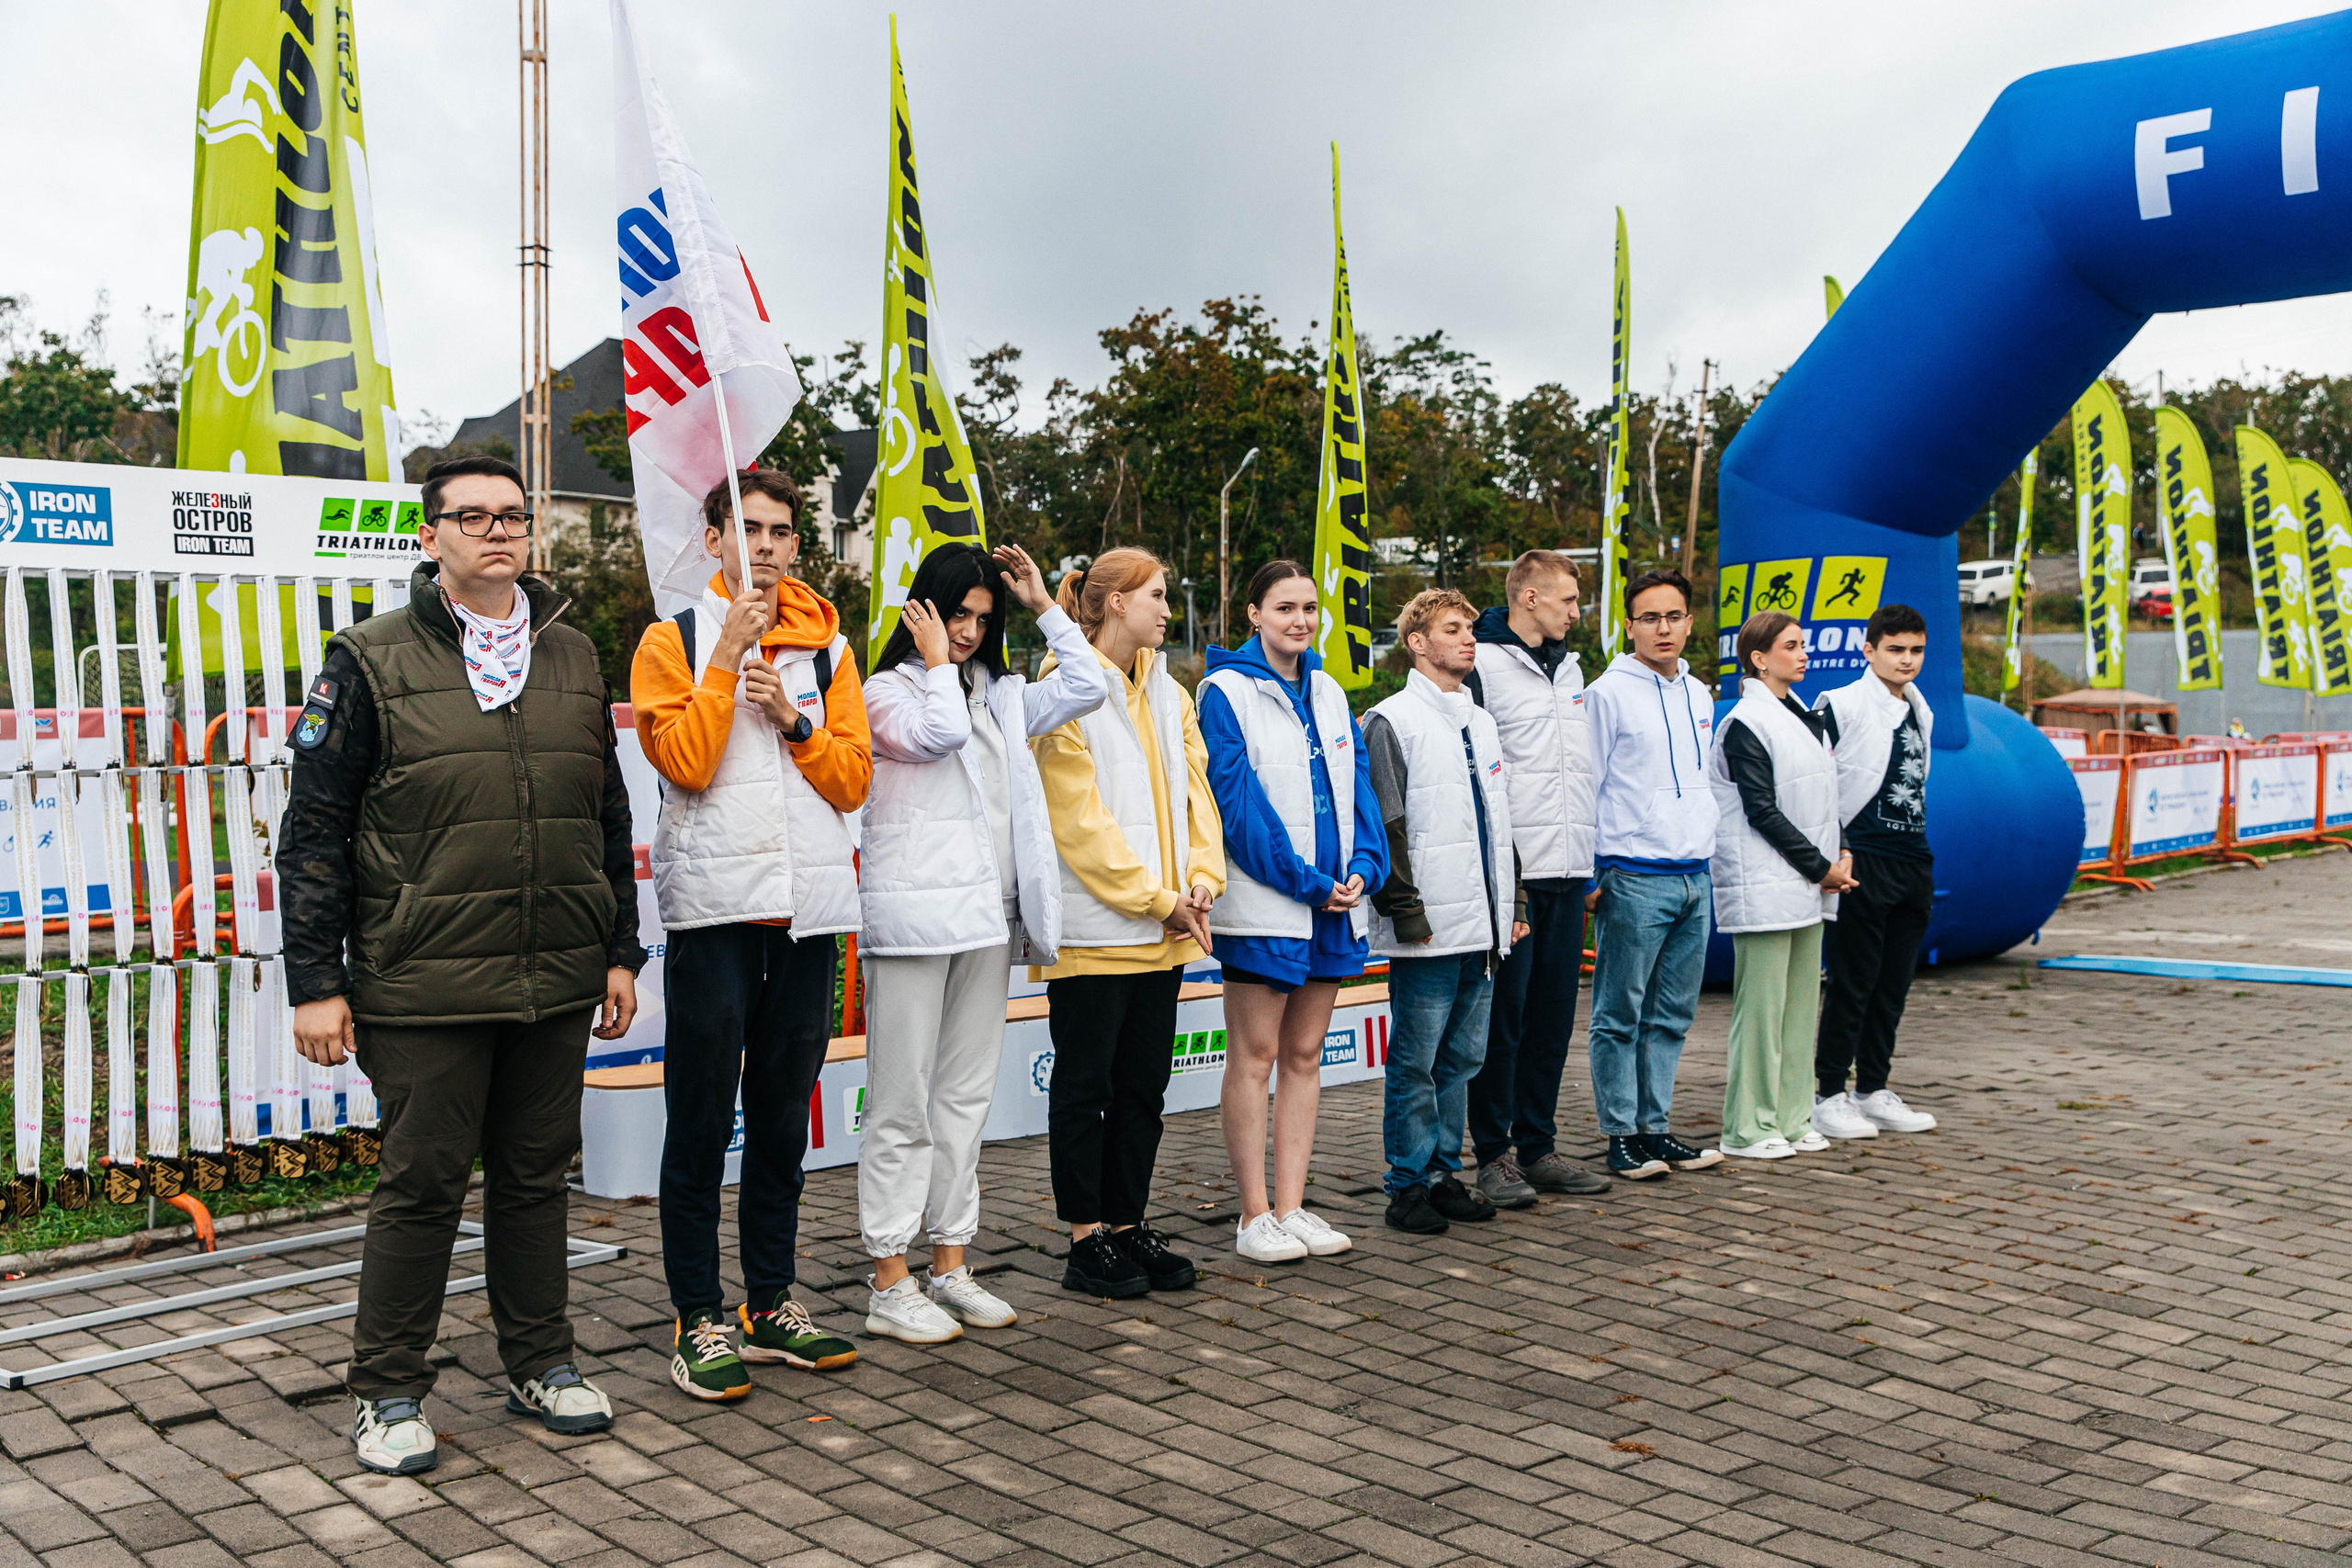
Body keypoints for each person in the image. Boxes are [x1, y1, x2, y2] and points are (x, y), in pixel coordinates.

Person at [281, 455, 643, 1475]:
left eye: (513, 515)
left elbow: (602, 813)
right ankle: (388, 1390)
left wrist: (616, 949)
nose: (497, 531)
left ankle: (542, 1364)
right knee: (423, 1184)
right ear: (430, 535)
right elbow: (313, 831)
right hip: (422, 980)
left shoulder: (570, 651)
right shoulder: (367, 658)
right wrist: (317, 979)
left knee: (533, 1180)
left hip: (555, 976)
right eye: (472, 516)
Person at [629, 469, 871, 1401]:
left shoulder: (831, 647)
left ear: (796, 547)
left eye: (779, 532)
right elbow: (684, 764)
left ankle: (770, 1303)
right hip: (717, 916)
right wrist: (727, 666)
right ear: (715, 540)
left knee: (779, 1123)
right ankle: (697, 1317)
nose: (765, 545)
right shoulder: (674, 640)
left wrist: (792, 717)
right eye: (748, 529)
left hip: (807, 916)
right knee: (698, 1124)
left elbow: (852, 779)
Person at [855, 541, 1108, 1340]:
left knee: (963, 1097)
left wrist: (1044, 605)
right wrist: (932, 659)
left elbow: (1088, 684)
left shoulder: (1000, 692)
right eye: (954, 614)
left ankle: (950, 1262)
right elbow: (935, 736)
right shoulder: (885, 690)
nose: (966, 631)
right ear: (922, 609)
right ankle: (888, 1275)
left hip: (990, 919)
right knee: (902, 1101)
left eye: (979, 618)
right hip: (915, 921)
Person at [1032, 547, 1226, 1297]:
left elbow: (1197, 794)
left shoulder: (1170, 692)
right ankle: (1085, 1238)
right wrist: (1154, 896)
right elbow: (1079, 820)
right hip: (1095, 932)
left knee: (1143, 1087)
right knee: (1085, 1088)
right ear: (1115, 602)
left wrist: (1201, 882)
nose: (1167, 608)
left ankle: (1125, 1221)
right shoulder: (1065, 687)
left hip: (1167, 930)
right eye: (1157, 594)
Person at [1199, 560, 1388, 1263]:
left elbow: (1360, 790)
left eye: (1310, 607)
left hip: (1335, 904)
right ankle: (1253, 1216)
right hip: (1269, 907)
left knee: (1306, 1054)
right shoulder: (1224, 691)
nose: (1301, 620)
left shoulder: (1333, 690)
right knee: (1255, 1054)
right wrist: (1307, 880)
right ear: (1253, 614)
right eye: (1284, 607)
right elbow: (1236, 806)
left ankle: (1293, 1205)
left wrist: (1366, 866)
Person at [1364, 589, 1515, 1235]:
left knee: (1462, 1058)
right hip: (1427, 923)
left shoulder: (1480, 721)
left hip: (1481, 922)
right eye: (1452, 629)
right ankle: (1407, 1181)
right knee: (1416, 1059)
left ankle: (1443, 1171)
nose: (1468, 639)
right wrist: (1405, 907)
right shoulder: (1389, 719)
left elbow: (1499, 821)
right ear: (1417, 643)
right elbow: (1387, 823)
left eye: (1471, 629)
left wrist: (1516, 900)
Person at [1464, 550, 1608, 1206]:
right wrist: (1501, 875)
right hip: (1512, 879)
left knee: (1553, 1018)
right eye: (1569, 600)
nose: (1577, 612)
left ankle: (1539, 1145)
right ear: (1528, 597)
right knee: (1506, 1021)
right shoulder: (1481, 668)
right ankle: (1493, 1156)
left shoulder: (1571, 670)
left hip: (1570, 869)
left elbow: (1579, 774)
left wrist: (1592, 860)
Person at [1583, 569, 1726, 1180]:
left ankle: (1656, 1127)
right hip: (1633, 875)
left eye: (1673, 616)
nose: (1662, 628)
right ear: (1628, 624)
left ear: (1690, 622)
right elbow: (1586, 782)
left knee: (1672, 1015)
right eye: (1649, 617)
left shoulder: (1700, 694)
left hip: (1695, 874)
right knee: (1619, 1014)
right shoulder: (1605, 694)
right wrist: (1592, 871)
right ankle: (1620, 1134)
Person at [1709, 613, 1859, 1159]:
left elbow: (1827, 797)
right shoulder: (1746, 722)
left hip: (1810, 884)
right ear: (1759, 658)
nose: (1803, 655)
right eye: (1791, 646)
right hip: (1768, 883)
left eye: (1804, 645)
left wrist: (1839, 851)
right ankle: (1747, 1127)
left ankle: (1793, 1118)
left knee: (1799, 1009)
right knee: (1762, 1013)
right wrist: (1822, 867)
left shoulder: (1806, 719)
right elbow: (1761, 811)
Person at [1810, 604, 1941, 1140]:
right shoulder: (1839, 704)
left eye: (1916, 651)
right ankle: (1829, 1092)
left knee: (1894, 983)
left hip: (1914, 856)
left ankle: (1873, 1088)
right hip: (1862, 856)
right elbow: (1816, 779)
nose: (1907, 660)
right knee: (1853, 981)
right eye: (1895, 649)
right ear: (1869, 650)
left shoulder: (1918, 706)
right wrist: (1837, 851)